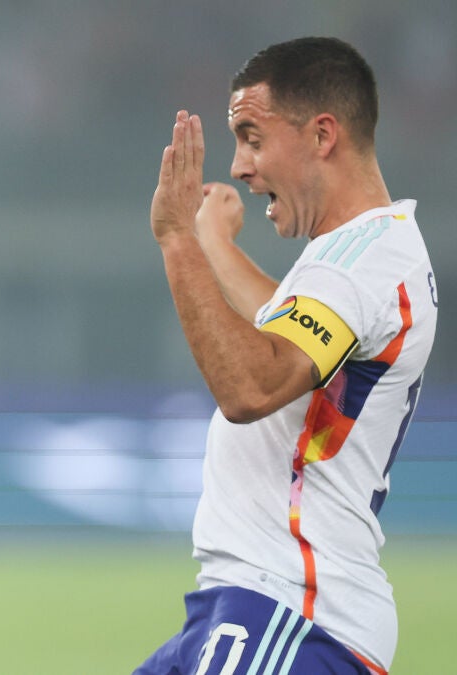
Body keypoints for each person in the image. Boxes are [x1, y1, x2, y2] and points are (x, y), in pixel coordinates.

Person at [140, 37, 436, 674]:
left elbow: (252, 386)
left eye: (252, 138)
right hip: (258, 603)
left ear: (322, 135)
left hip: (294, 610)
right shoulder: (363, 252)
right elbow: (284, 336)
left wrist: (177, 240)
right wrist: (214, 244)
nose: (240, 166)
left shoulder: (361, 264)